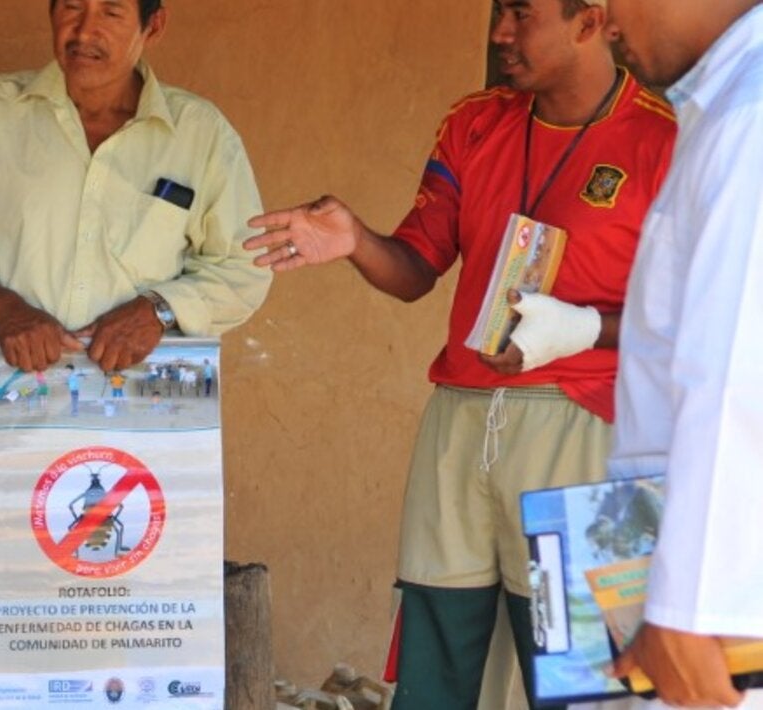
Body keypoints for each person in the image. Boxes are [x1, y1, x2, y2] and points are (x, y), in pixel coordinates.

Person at [246, 1, 676, 707]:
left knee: (577, 674)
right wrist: (355, 239)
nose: (499, 33)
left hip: (584, 428)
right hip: (460, 420)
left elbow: (696, 321)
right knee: (438, 656)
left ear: (590, 20)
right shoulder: (476, 122)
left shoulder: (665, 142)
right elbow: (416, 266)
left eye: (519, 12)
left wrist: (578, 329)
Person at [0, 0, 270, 375]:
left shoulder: (201, 134)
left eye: (111, 11)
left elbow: (245, 267)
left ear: (153, 26)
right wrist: (3, 308)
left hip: (147, 416)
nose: (84, 31)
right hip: (10, 408)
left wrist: (159, 310)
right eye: (72, 7)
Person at [596, 1, 763, 708]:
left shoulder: (750, 116)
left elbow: (735, 370)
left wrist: (691, 609)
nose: (600, 20)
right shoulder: (724, 102)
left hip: (723, 617)